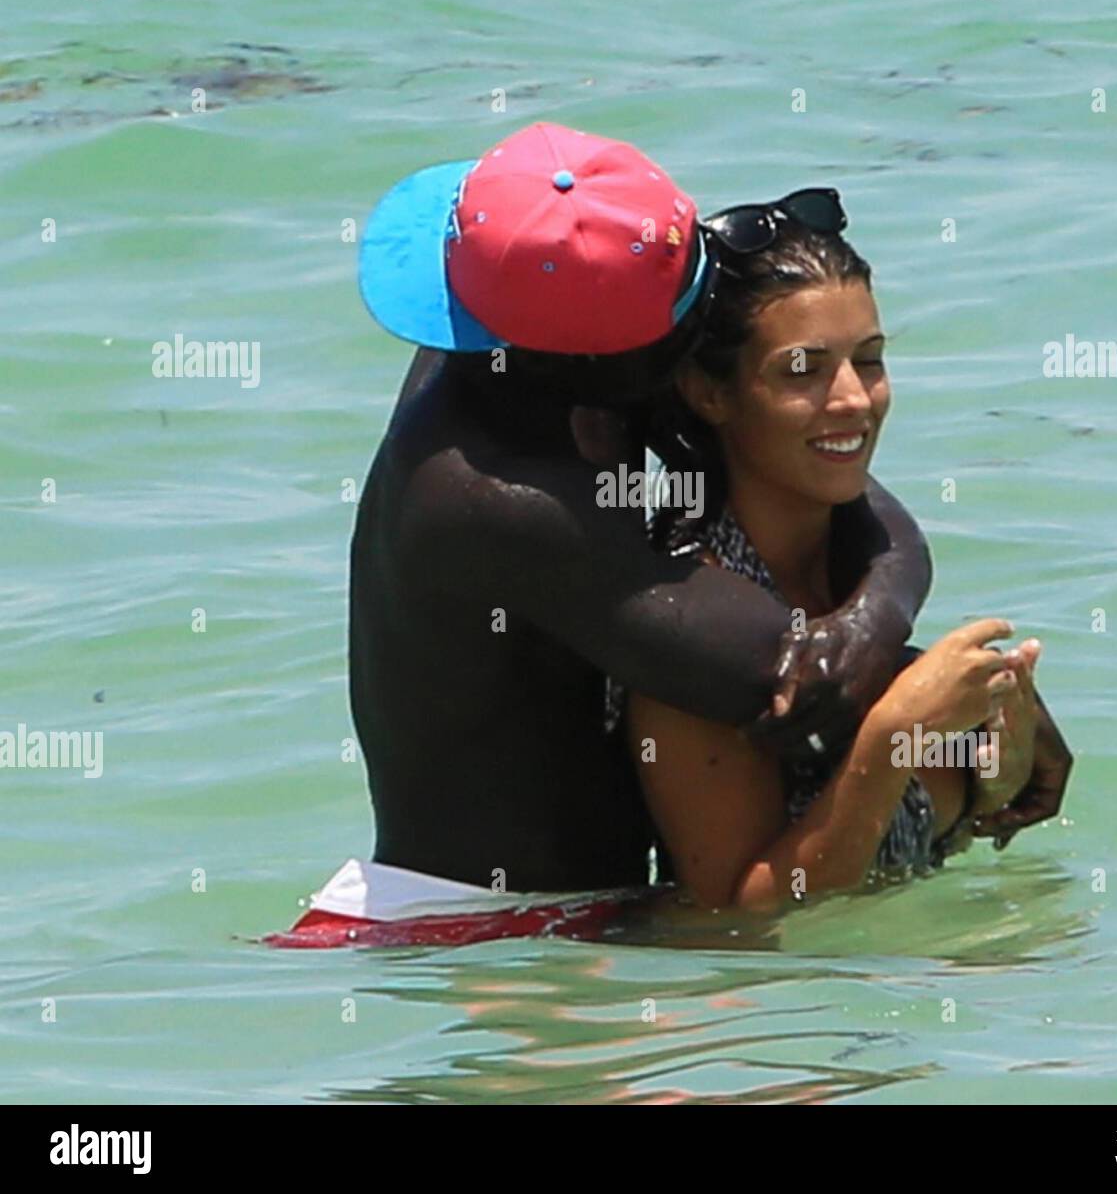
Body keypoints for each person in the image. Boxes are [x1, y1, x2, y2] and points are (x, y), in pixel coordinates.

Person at [270, 123, 951, 946]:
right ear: (623, 358)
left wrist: (887, 610)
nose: (698, 319)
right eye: (686, 311)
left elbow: (825, 476)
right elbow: (794, 684)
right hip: (481, 936)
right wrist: (967, 701)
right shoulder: (493, 497)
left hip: (573, 925)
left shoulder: (525, 338)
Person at [619, 191, 1072, 910]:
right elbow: (735, 919)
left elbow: (903, 843)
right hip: (781, 1018)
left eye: (869, 361)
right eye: (803, 371)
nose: (855, 400)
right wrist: (897, 734)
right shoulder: (690, 623)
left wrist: (993, 769)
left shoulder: (857, 578)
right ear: (710, 393)